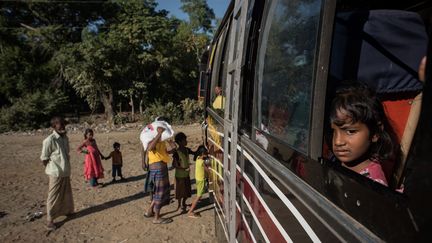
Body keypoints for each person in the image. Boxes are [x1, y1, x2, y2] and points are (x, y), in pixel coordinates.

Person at [329, 82, 400, 186]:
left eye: (350, 131)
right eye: (334, 131)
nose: (337, 142)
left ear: (375, 133)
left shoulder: (372, 185)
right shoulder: (335, 160)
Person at [40, 116, 74, 230]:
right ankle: (50, 220)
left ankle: (67, 211)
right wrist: (52, 169)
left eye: (64, 123)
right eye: (60, 124)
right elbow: (44, 158)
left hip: (65, 171)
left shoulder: (65, 138)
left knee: (66, 193)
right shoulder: (49, 140)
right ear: (54, 126)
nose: (63, 126)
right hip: (55, 172)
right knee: (53, 196)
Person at [143, 121, 176, 224]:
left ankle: (150, 211)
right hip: (157, 168)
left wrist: (172, 144)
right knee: (159, 193)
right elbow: (149, 148)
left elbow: (169, 152)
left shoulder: (160, 141)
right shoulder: (151, 139)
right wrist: (159, 133)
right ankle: (156, 218)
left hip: (162, 167)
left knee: (159, 191)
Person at [172, 132, 193, 212]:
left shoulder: (186, 150)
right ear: (180, 142)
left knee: (187, 191)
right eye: (184, 140)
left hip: (186, 174)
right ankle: (180, 205)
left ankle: (183, 203)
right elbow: (174, 164)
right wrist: (183, 169)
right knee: (180, 192)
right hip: (180, 175)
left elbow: (194, 153)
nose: (186, 141)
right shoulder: (177, 153)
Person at [188, 145, 210, 218]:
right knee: (198, 196)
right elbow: (207, 171)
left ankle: (193, 207)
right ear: (203, 154)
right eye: (206, 152)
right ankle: (190, 212)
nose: (207, 153)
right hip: (201, 180)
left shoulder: (198, 158)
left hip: (198, 179)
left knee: (199, 194)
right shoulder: (202, 162)